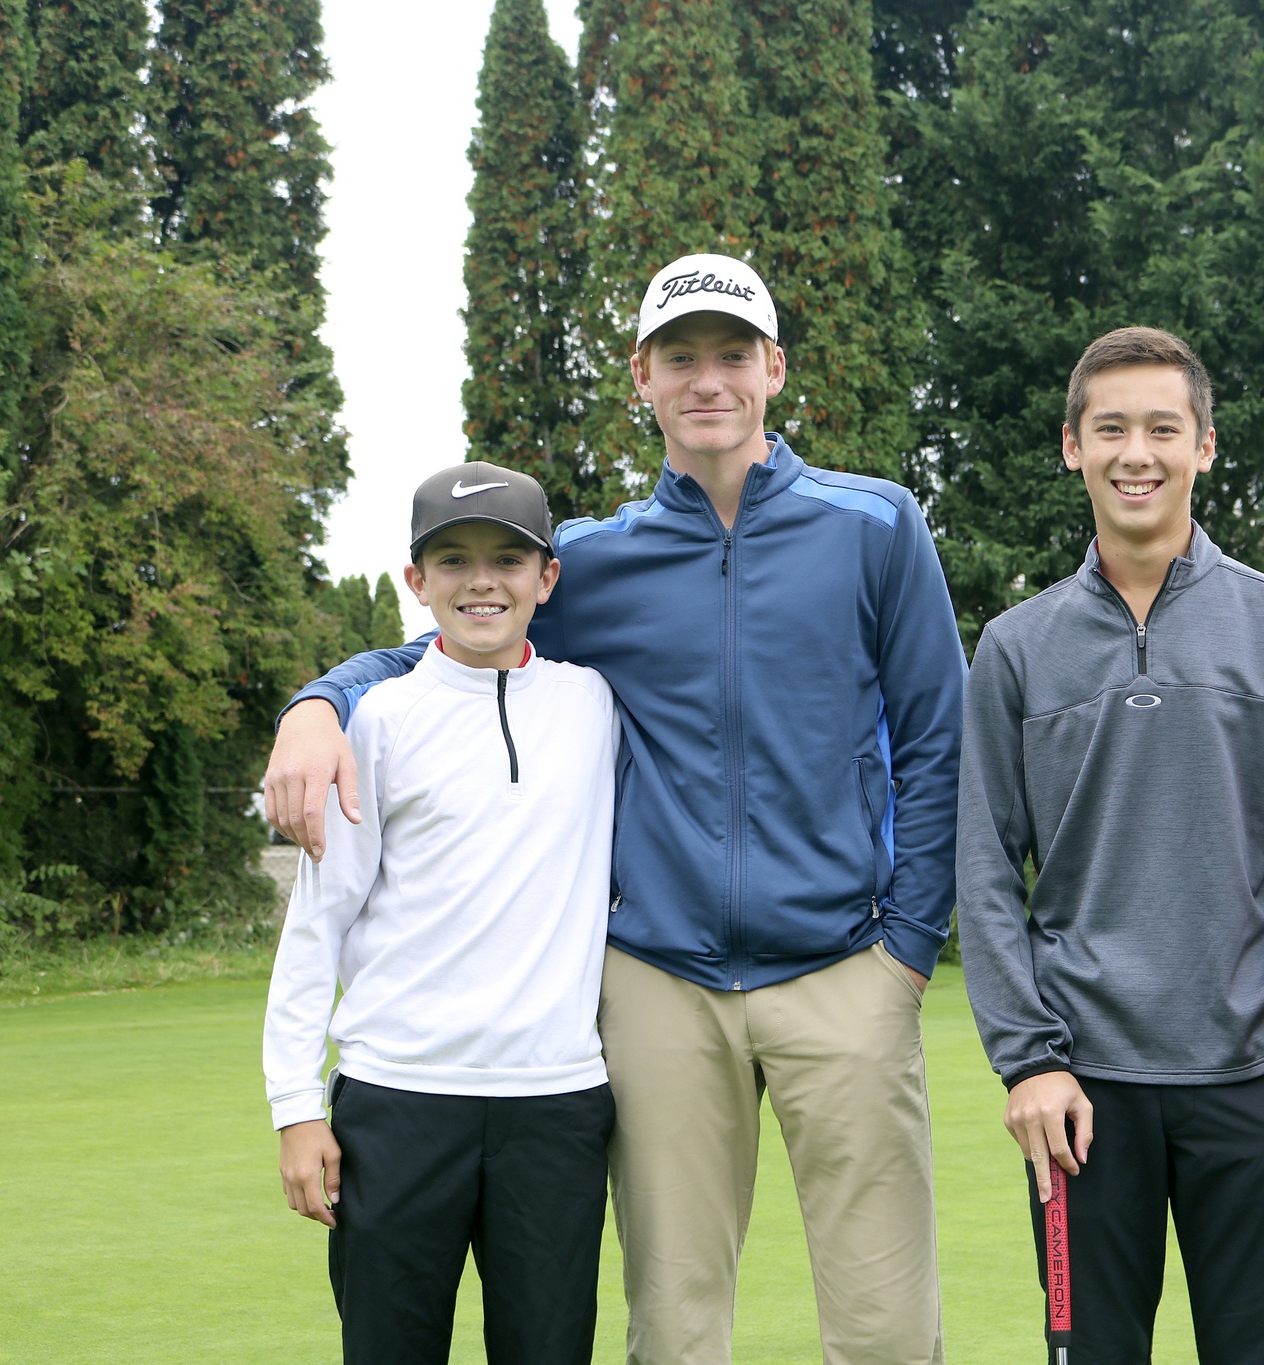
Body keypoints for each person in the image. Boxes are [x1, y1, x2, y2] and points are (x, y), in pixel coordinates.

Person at [262, 253, 967, 1365]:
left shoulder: (874, 527)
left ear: (773, 368)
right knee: (674, 1331)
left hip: (843, 969)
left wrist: (910, 947)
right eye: (679, 357)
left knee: (885, 1329)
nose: (707, 380)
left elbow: (939, 741)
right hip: (656, 986)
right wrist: (320, 700)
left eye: (731, 355)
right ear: (640, 376)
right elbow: (452, 637)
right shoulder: (590, 561)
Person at [958, 326, 1264, 1364]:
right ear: (1071, 447)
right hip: (1079, 1093)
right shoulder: (1015, 647)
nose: (1136, 452)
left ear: (1204, 447)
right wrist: (1028, 1062)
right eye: (1110, 429)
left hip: (1255, 1077)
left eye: (1161, 428)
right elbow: (988, 870)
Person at [264, 462, 617, 1364]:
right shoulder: (376, 719)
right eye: (452, 560)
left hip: (557, 1106)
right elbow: (319, 921)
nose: (481, 580)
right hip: (397, 1103)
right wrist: (297, 1106)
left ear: (548, 578)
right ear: (417, 582)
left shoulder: (595, 706)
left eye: (508, 558)